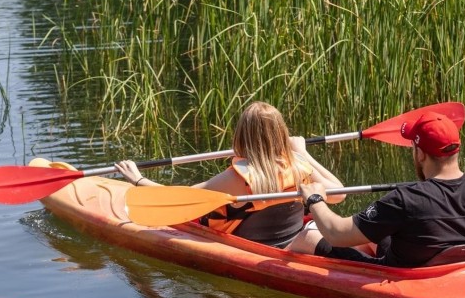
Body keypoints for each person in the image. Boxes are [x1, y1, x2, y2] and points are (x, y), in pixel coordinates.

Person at [287, 111, 465, 266]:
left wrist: (314, 199)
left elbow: (336, 234)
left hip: (408, 274)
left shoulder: (404, 199)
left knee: (309, 236)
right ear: (456, 149)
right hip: (460, 267)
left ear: (420, 153)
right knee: (379, 232)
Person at [115, 101, 345, 247]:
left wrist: (138, 179)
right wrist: (303, 154)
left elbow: (181, 198)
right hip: (289, 241)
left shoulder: (239, 178)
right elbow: (339, 194)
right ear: (281, 133)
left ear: (242, 136)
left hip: (251, 248)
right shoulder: (299, 166)